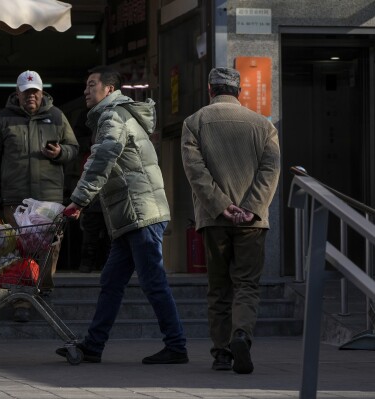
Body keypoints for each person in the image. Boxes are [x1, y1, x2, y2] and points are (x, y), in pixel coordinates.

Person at [57, 66, 188, 364]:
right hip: (130, 215)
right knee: (111, 281)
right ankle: (93, 345)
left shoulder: (113, 116)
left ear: (109, 89)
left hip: (140, 212)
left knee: (153, 281)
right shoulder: (114, 115)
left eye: (92, 85)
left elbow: (103, 157)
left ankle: (177, 346)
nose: (86, 91)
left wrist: (78, 200)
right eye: (86, 85)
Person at [180, 67, 281, 374]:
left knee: (219, 287)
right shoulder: (263, 125)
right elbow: (270, 170)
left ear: (210, 89)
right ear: (239, 92)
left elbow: (195, 171)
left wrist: (221, 205)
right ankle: (242, 334)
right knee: (247, 284)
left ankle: (222, 352)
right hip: (252, 222)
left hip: (214, 219)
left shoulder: (194, 122)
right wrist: (250, 207)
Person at [0, 70, 79, 322]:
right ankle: (22, 299)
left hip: (48, 197)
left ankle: (42, 289)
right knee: (18, 249)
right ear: (17, 94)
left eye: (35, 92)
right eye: (26, 93)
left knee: (49, 249)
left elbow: (74, 149)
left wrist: (60, 152)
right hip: (15, 197)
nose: (31, 97)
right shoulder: (3, 119)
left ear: (42, 92)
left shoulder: (57, 116)